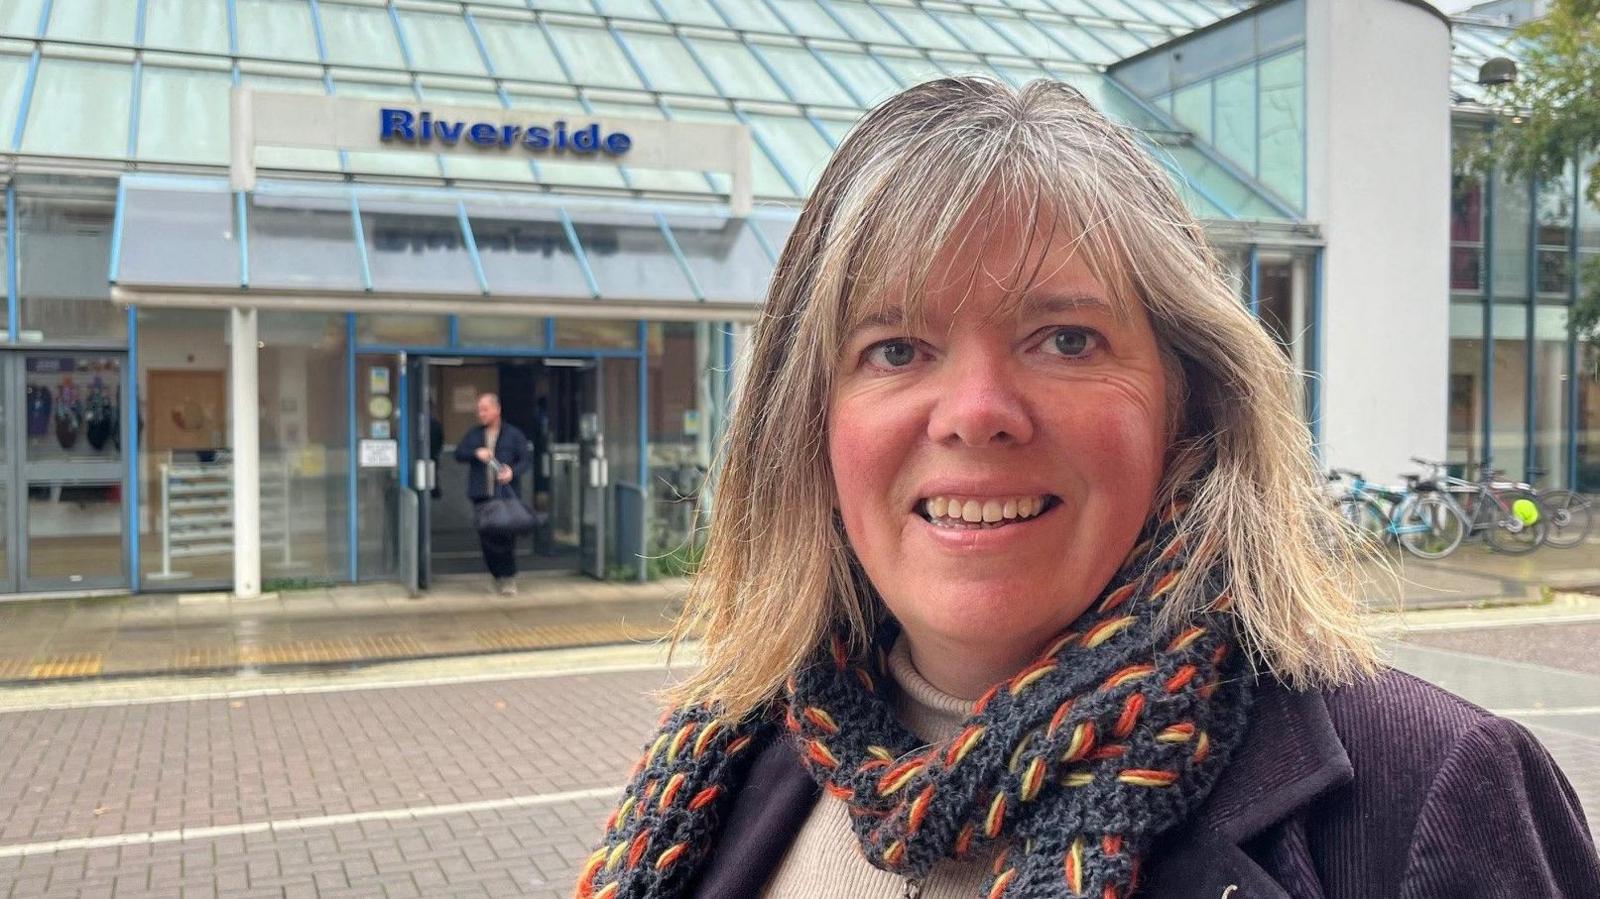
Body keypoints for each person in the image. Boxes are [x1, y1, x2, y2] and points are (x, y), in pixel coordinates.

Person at [575, 79, 1600, 899]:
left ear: (1186, 403)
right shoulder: (721, 763)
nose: (975, 410)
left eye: (1066, 338)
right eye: (897, 347)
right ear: (811, 427)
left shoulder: (1430, 790)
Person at [453, 392, 530, 596]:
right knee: (487, 537)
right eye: (479, 410)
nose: (481, 414)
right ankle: (497, 574)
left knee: (506, 536)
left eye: (485, 409)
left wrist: (512, 472)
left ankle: (509, 577)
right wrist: (475, 453)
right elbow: (458, 453)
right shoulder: (475, 434)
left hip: (504, 495)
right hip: (482, 495)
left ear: (497, 410)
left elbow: (525, 460)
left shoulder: (514, 434)